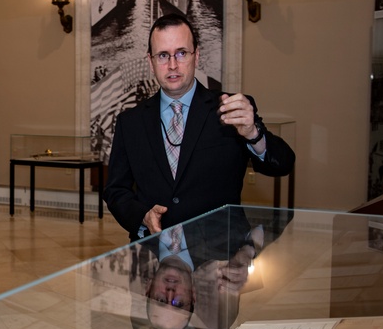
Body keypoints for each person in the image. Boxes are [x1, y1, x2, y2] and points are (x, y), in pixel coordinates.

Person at [105, 13, 295, 241]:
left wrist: (253, 134)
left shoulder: (230, 109)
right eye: (163, 55)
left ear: (197, 56)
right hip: (154, 254)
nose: (173, 65)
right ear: (150, 61)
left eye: (182, 53)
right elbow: (116, 190)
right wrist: (143, 218)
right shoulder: (130, 122)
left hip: (221, 258)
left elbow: (283, 164)